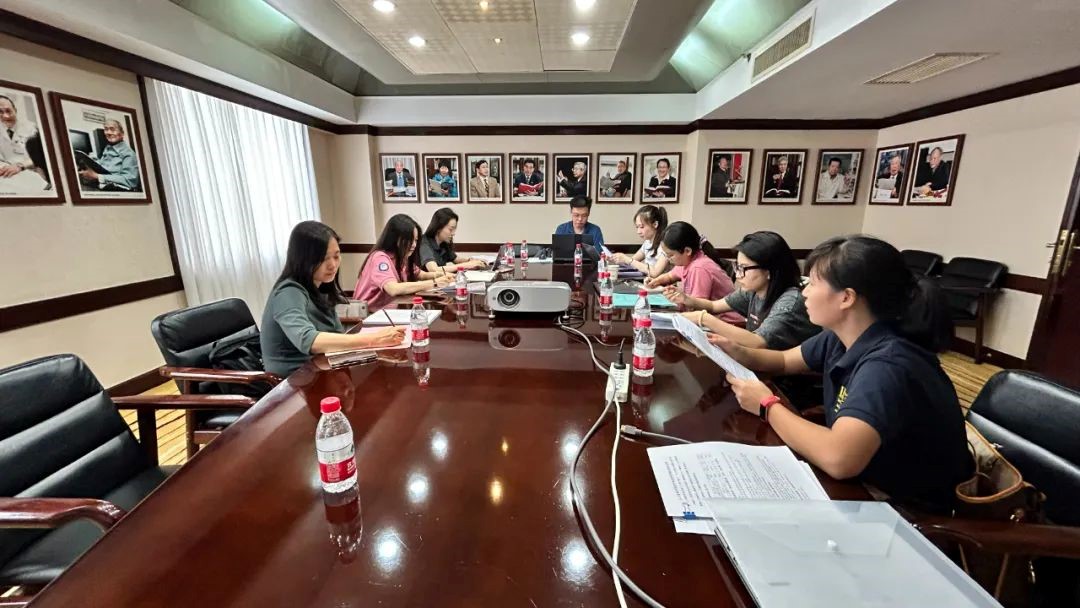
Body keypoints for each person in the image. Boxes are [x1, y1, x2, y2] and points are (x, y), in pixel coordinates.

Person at [713, 235, 971, 512]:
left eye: (813, 283)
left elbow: (839, 458)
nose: (804, 292)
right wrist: (738, 351)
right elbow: (785, 360)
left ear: (846, 297)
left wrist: (767, 406)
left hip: (907, 510)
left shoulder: (888, 365)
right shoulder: (842, 335)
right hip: (865, 484)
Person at [261, 221, 405, 377]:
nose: (333, 265)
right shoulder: (288, 292)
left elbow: (336, 332)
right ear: (303, 259)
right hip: (293, 380)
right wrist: (374, 339)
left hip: (322, 368)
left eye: (336, 256)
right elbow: (308, 340)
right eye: (323, 258)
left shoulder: (321, 287)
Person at [668, 231, 819, 350]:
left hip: (791, 377)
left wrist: (703, 318)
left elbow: (758, 342)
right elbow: (714, 306)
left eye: (744, 268)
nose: (738, 275)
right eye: (737, 267)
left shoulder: (790, 302)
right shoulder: (753, 290)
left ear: (769, 271)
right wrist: (687, 299)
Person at [354, 214, 453, 311]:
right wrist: (434, 283)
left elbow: (420, 274)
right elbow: (393, 289)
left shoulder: (402, 256)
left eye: (416, 240)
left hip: (391, 310)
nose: (414, 245)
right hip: (370, 315)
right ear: (395, 238)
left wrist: (442, 275)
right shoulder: (380, 258)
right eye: (410, 240)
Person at [645, 222, 740, 322]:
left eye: (670, 255)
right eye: (666, 255)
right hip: (708, 318)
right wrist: (655, 281)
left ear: (687, 251)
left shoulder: (699, 268)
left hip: (727, 322)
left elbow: (696, 307)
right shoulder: (687, 261)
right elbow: (670, 276)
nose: (668, 259)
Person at [0, 94, 48, 192]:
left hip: (35, 175)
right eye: (0, 112)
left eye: (8, 111)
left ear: (15, 110)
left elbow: (43, 156)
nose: (6, 116)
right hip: (10, 177)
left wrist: (20, 166)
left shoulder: (33, 129)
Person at [419, 207, 488, 275]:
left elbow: (456, 260)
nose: (453, 233)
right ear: (439, 227)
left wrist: (472, 261)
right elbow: (433, 269)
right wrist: (467, 265)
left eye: (454, 229)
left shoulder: (443, 243)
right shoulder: (424, 243)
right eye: (451, 229)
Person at [77, 119, 141, 191]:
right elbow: (105, 167)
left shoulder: (129, 154)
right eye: (106, 129)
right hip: (99, 185)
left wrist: (97, 176)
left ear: (122, 133)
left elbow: (130, 181)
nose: (108, 133)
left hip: (114, 190)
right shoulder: (108, 149)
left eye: (112, 129)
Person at [610, 205, 669, 278]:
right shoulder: (647, 243)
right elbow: (632, 261)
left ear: (655, 224)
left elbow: (654, 272)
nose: (638, 232)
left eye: (641, 227)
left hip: (663, 283)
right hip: (648, 281)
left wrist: (627, 259)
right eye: (637, 227)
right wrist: (614, 259)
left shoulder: (666, 245)